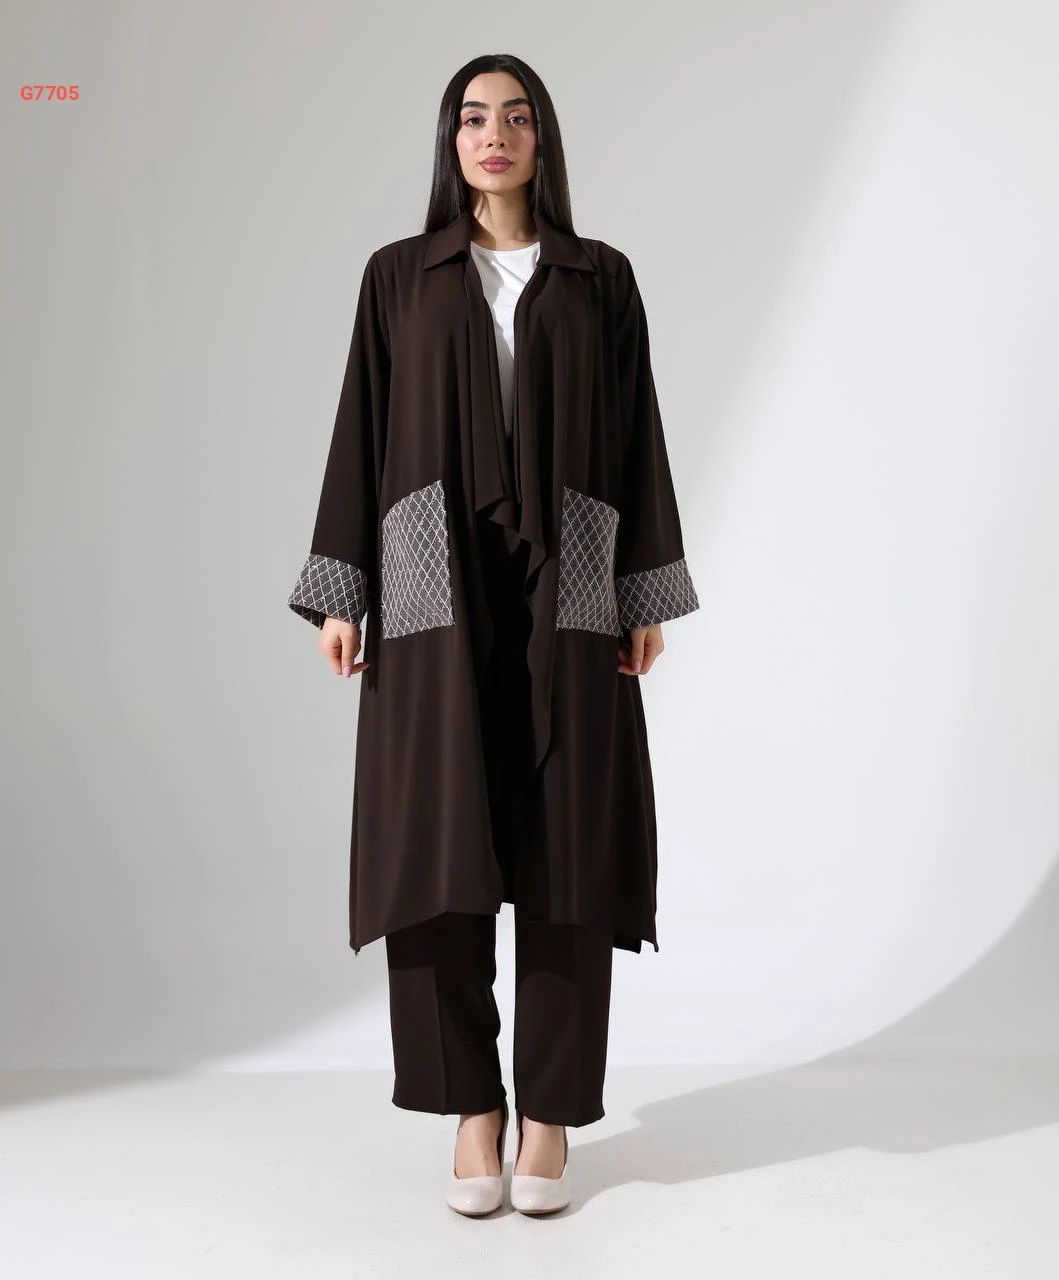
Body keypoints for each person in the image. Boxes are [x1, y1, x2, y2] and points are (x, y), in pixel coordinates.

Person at [286, 53, 700, 1216]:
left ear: (542, 138)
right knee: (437, 841)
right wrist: (343, 590)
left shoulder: (600, 277)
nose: (494, 134)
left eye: (516, 116)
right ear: (451, 140)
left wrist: (642, 594)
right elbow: (362, 429)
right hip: (433, 581)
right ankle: (473, 1106)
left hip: (571, 579)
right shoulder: (399, 276)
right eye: (473, 118)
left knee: (568, 841)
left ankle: (550, 1114)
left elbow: (638, 434)